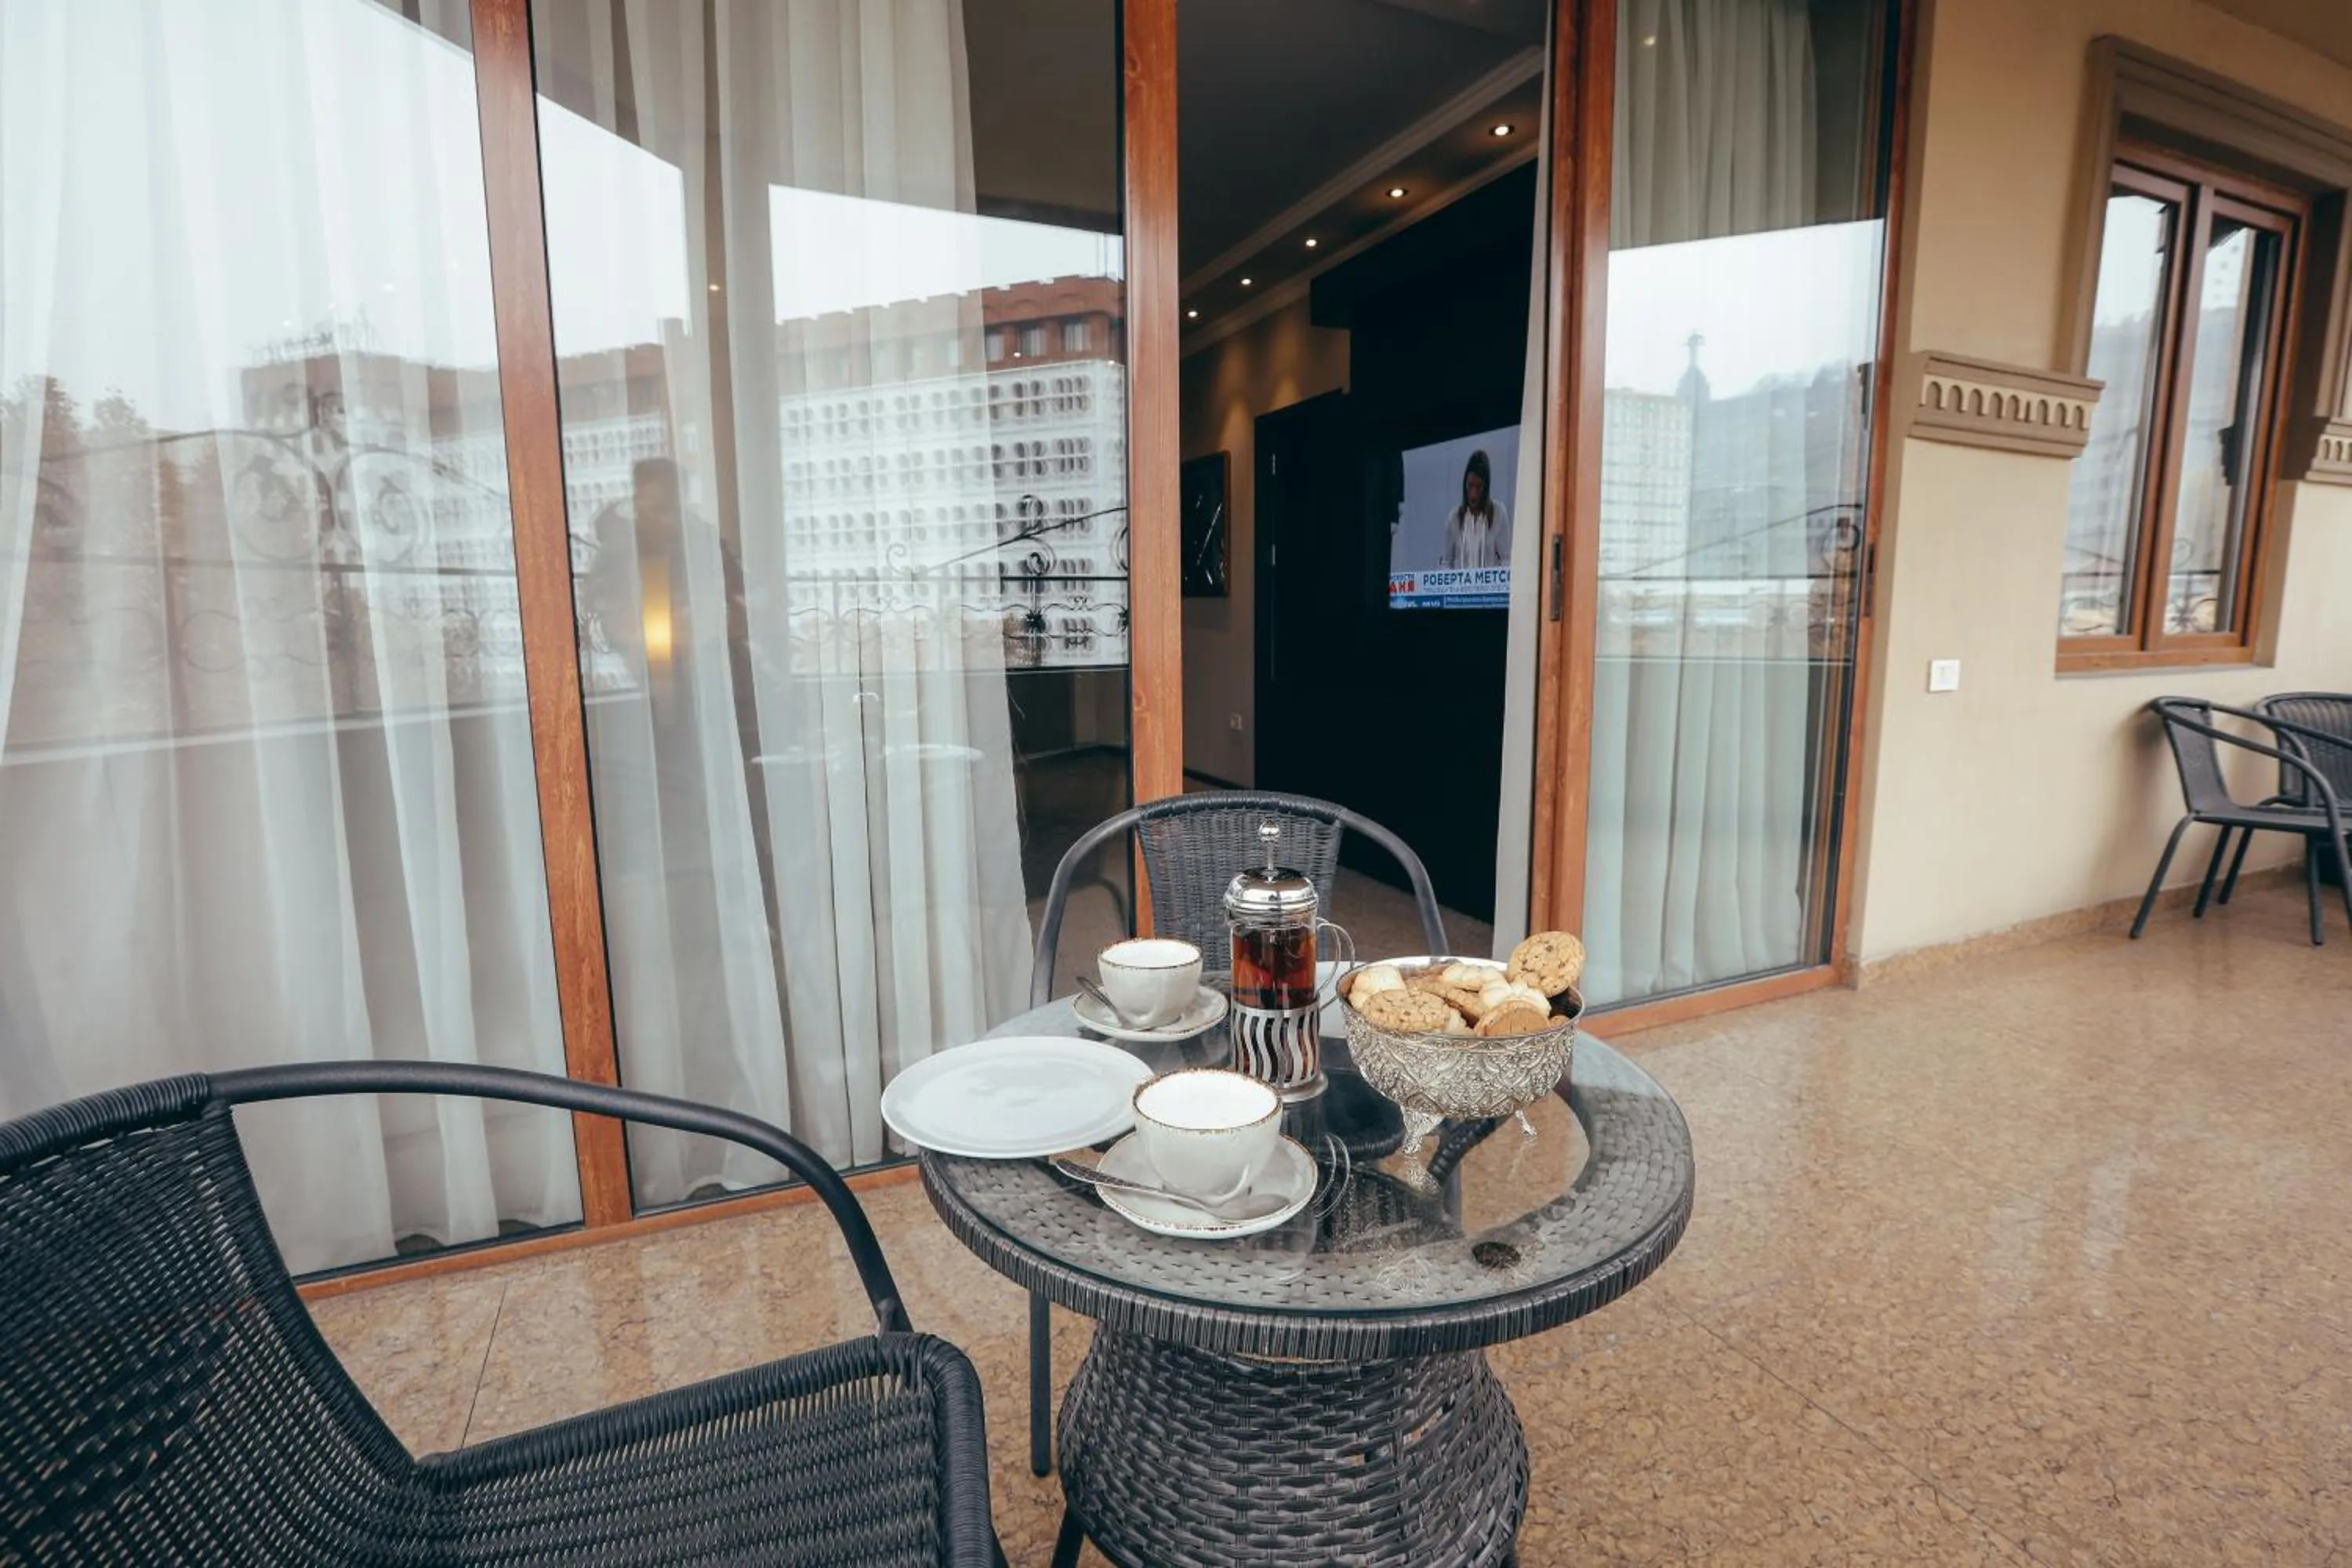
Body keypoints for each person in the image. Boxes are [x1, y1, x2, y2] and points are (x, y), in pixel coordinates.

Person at [1439, 448, 1510, 569]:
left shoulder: (1498, 513)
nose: (1473, 494)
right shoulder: (1454, 517)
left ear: (1486, 487)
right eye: (1470, 486)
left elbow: (1507, 560)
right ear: (1465, 484)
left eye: (1479, 487)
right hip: (1461, 588)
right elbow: (1446, 562)